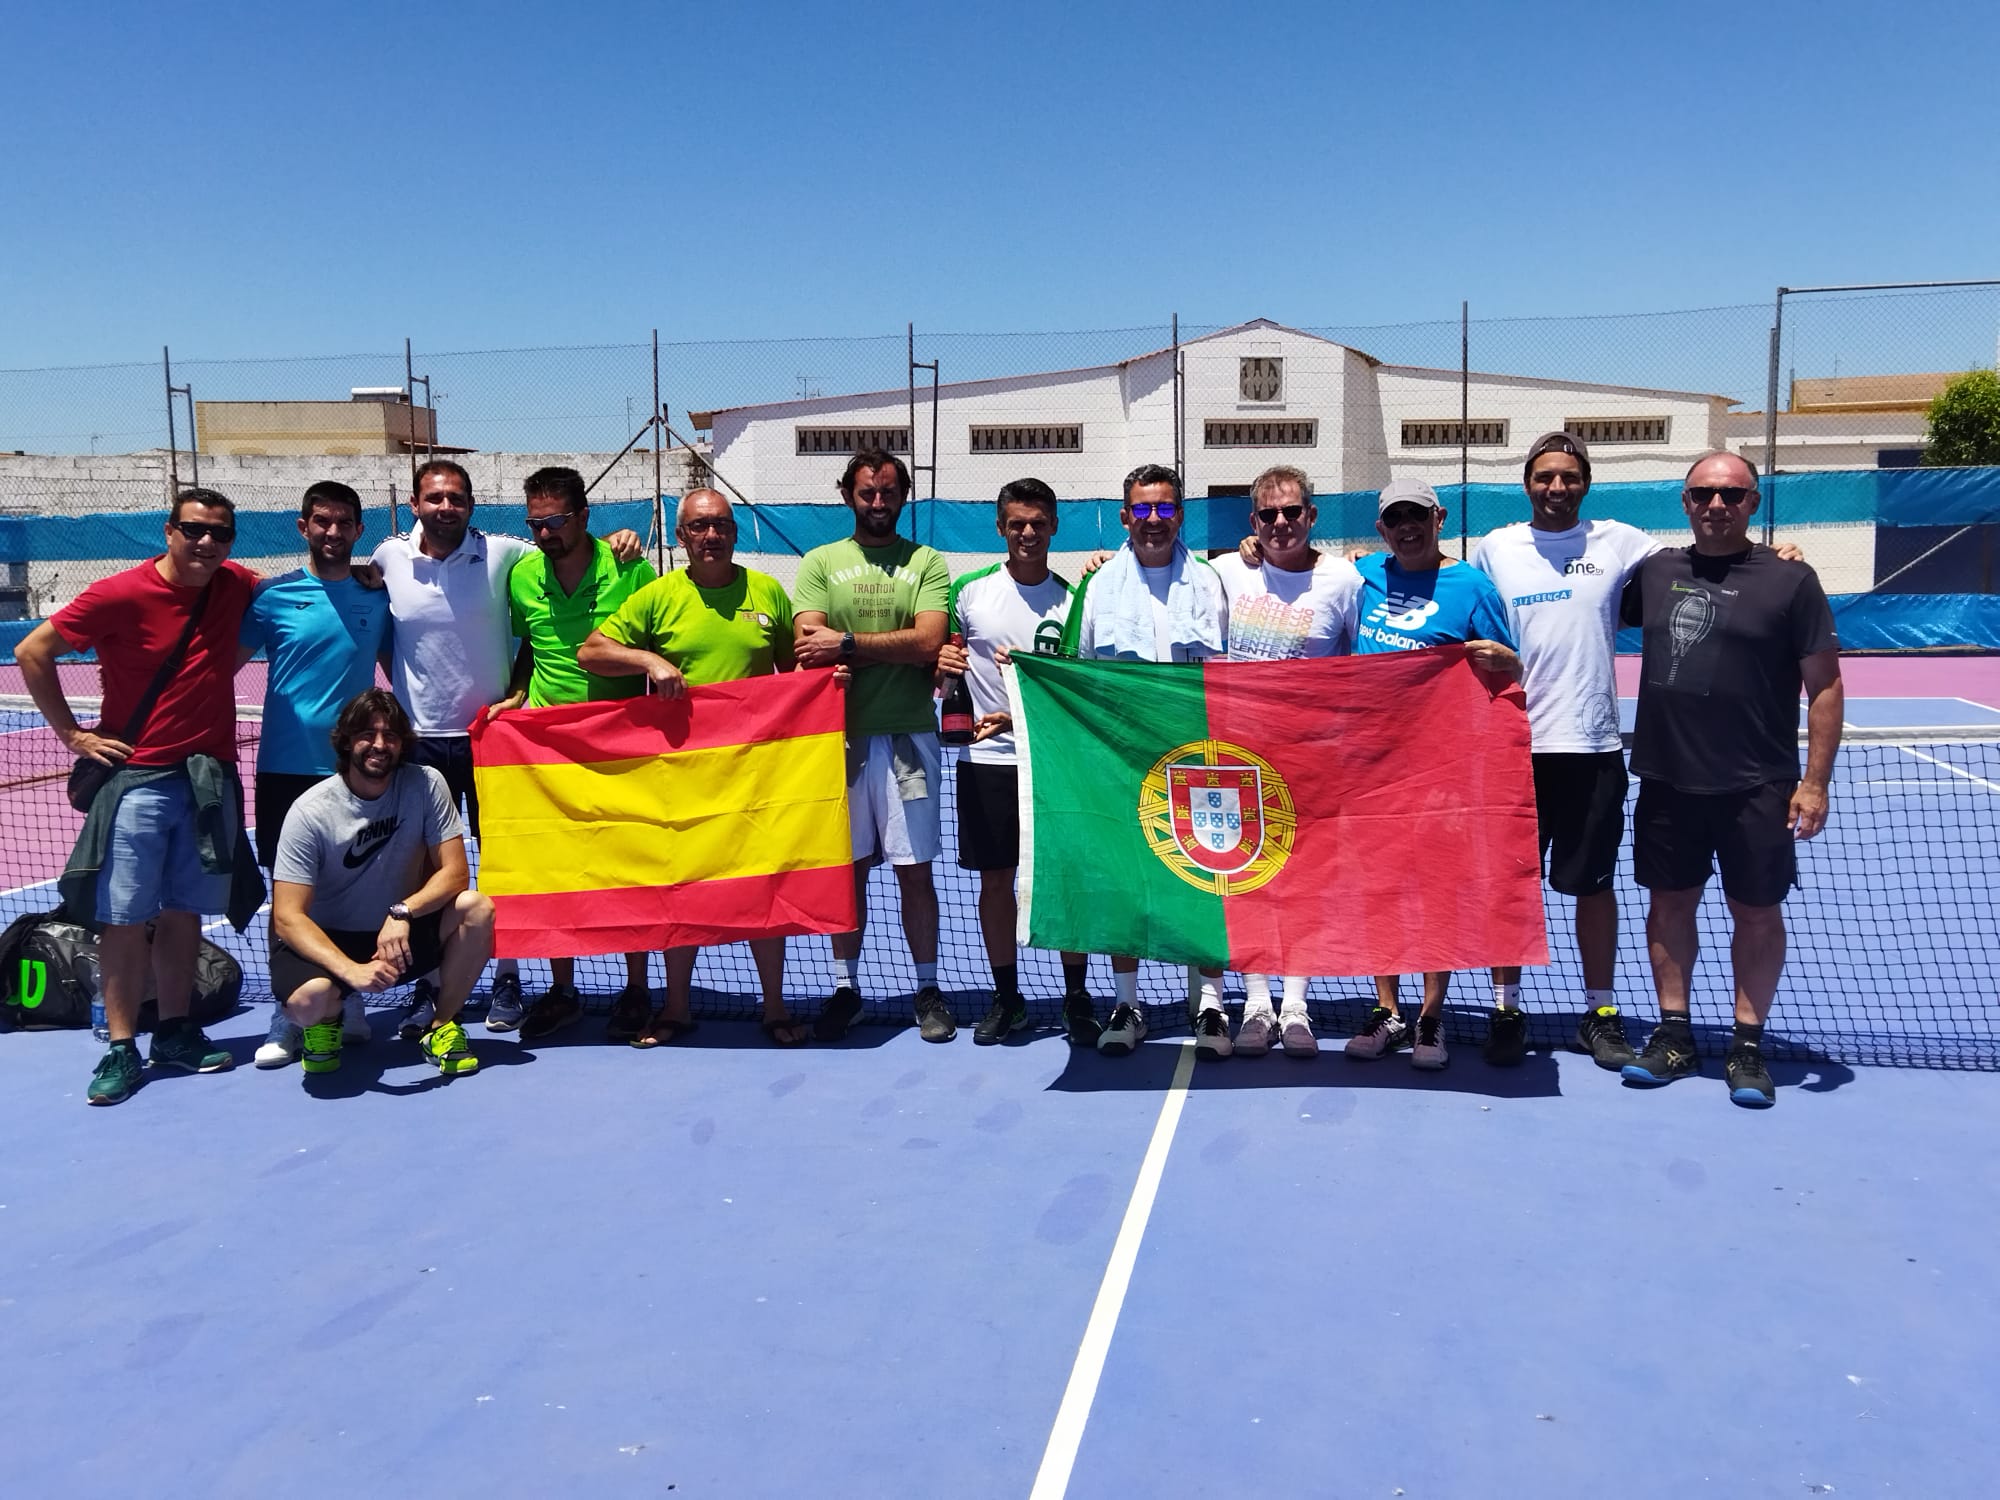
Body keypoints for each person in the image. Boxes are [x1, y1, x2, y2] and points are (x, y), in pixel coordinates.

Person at [371, 458, 640, 1036]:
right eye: (434, 497)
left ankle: (513, 977)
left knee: (513, 862)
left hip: (509, 742)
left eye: (457, 498)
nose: (445, 507)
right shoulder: (389, 557)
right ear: (416, 503)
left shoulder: (507, 555)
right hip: (432, 741)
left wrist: (626, 536)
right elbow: (369, 614)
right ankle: (431, 982)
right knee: (426, 869)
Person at [17, 488, 263, 1105]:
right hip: (139, 782)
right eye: (194, 530)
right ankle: (122, 1047)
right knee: (123, 921)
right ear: (168, 531)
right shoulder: (119, 593)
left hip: (207, 780)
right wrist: (73, 733)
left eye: (220, 533)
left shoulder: (232, 581)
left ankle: (176, 1031)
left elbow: (287, 582)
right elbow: (32, 650)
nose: (206, 542)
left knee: (183, 914)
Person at [1617, 451, 1842, 1108]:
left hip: (1759, 784)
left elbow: (1824, 684)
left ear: (1753, 503)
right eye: (1703, 494)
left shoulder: (1792, 580)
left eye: (1732, 495)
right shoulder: (1655, 573)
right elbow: (1572, 597)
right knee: (1668, 906)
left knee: (1757, 913)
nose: (1717, 505)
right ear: (1684, 502)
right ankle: (1675, 1035)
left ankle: (1747, 1045)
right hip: (1666, 779)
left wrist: (1816, 781)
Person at [577, 488, 809, 1046]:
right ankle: (676, 1007)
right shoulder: (658, 597)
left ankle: (774, 1008)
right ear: (681, 538)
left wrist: (827, 688)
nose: (711, 536)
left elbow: (790, 677)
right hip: (679, 773)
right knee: (681, 888)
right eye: (699, 528)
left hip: (754, 772)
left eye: (721, 526)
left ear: (734, 532)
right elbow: (591, 650)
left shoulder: (768, 592)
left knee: (763, 887)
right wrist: (649, 659)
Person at [1344, 478, 1521, 1070]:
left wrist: (1510, 662)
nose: (1407, 527)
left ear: (1439, 517)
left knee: (1433, 893)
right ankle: (1386, 1010)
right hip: (1371, 768)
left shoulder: (1472, 586)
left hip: (1441, 771)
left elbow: (1506, 672)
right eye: (1395, 518)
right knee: (1379, 892)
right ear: (1382, 529)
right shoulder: (1364, 574)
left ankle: (1430, 1018)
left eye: (1417, 515)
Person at [1058, 462, 1231, 1059]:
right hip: (1123, 760)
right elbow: (1079, 670)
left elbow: (1228, 670)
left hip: (1199, 757)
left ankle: (1210, 1006)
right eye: (1143, 509)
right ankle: (1128, 1002)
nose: (1154, 521)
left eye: (1165, 508)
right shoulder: (1098, 586)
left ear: (1179, 514)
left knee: (1207, 878)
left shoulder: (1210, 582)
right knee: (1125, 883)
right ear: (1126, 515)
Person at [792, 449, 955, 1043]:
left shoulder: (926, 561)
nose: (879, 503)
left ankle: (929, 988)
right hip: (841, 741)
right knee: (848, 872)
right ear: (848, 495)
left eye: (889, 492)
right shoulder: (819, 562)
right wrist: (878, 645)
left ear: (903, 494)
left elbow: (929, 640)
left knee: (915, 872)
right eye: (867, 493)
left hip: (910, 736)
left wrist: (850, 644)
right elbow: (808, 642)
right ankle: (846, 988)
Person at [492, 466, 657, 1042]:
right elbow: (527, 648)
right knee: (557, 872)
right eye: (535, 523)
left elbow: (653, 642)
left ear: (584, 516)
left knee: (628, 869)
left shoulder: (630, 566)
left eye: (556, 521)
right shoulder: (521, 576)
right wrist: (515, 693)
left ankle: (637, 988)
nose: (545, 533)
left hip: (620, 742)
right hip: (547, 744)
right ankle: (564, 991)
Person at [933, 478, 1092, 1046]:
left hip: (1053, 764)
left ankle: (1077, 997)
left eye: (1039, 523)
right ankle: (1008, 998)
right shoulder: (970, 592)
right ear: (1000, 528)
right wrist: (943, 665)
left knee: (1064, 881)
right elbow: (944, 669)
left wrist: (1023, 716)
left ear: (1054, 527)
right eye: (1017, 523)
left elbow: (1074, 688)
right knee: (996, 883)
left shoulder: (1074, 600)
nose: (1028, 533)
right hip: (985, 760)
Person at [1212, 464, 1362, 1059]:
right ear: (1252, 522)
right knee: (1242, 879)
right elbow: (1156, 570)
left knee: (1300, 883)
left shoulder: (1344, 582)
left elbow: (1363, 664)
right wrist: (1102, 562)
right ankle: (1254, 1004)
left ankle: (1295, 1005)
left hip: (1310, 760)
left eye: (1291, 512)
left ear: (1311, 516)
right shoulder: (1224, 572)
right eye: (1268, 514)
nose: (1280, 524)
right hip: (1232, 757)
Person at [241, 480, 391, 1068]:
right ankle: (289, 1008)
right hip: (283, 770)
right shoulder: (270, 598)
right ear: (303, 528)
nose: (332, 532)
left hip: (354, 773)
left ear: (359, 531)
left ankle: (347, 999)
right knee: (290, 896)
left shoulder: (376, 597)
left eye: (343, 523)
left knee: (355, 886)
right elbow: (216, 664)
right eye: (321, 522)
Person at [268, 690, 494, 1080]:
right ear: (346, 740)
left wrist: (403, 911)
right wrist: (350, 971)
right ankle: (328, 1017)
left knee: (477, 907)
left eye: (390, 735)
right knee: (309, 1002)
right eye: (366, 734)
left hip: (398, 936)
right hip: (330, 939)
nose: (379, 744)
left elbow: (456, 873)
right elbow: (287, 917)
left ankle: (440, 1026)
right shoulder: (310, 811)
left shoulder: (426, 783)